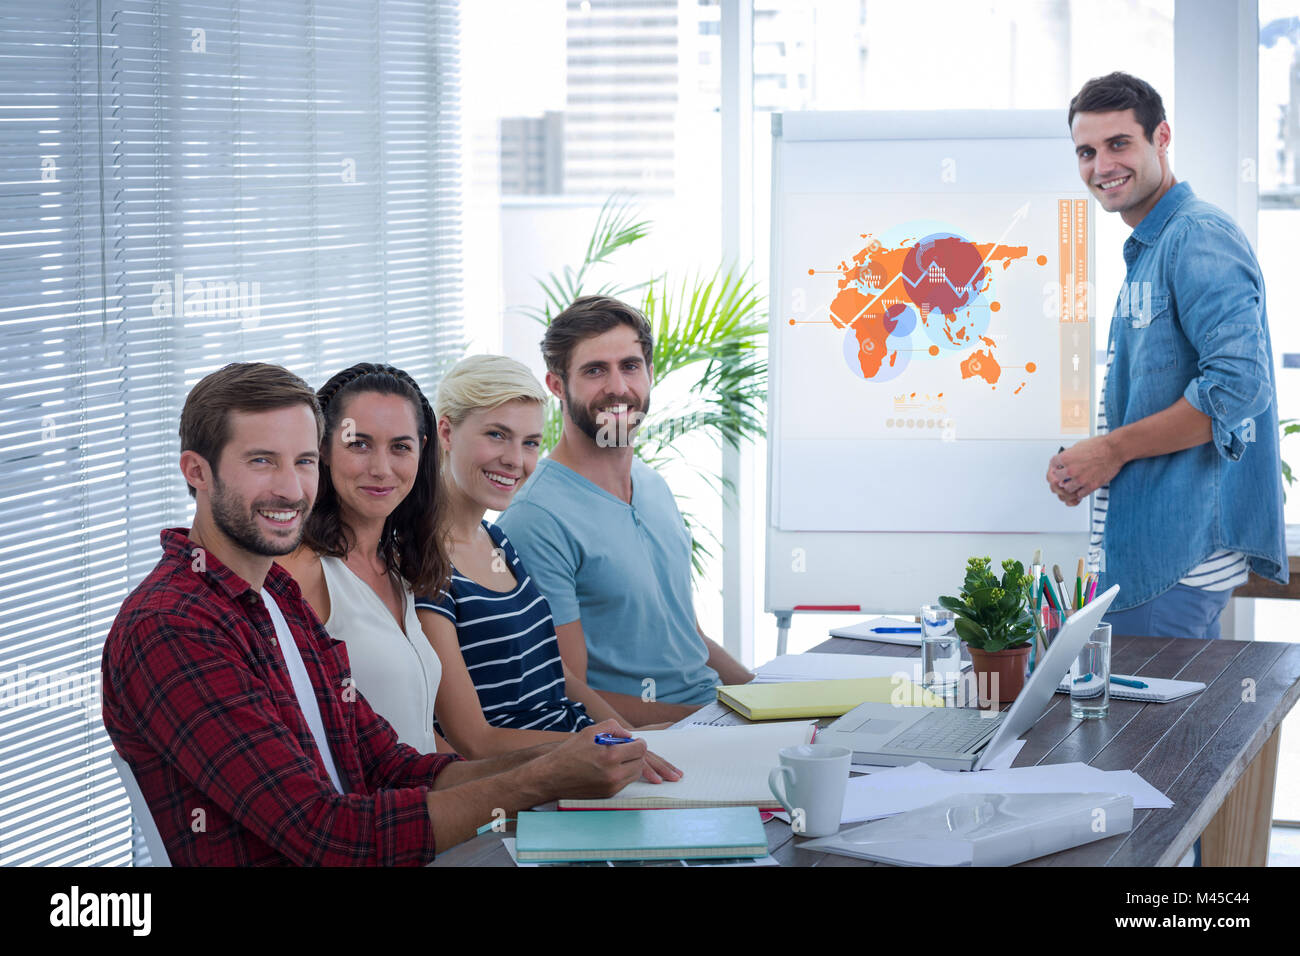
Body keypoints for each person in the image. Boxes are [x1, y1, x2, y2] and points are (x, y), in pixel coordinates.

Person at [101, 362, 650, 866]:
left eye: (304, 462)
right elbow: (326, 834)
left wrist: (564, 760)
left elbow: (395, 766)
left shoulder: (274, 599)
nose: (292, 489)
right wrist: (540, 780)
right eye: (262, 461)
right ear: (196, 471)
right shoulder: (172, 626)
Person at [279, 360, 676, 781]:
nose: (381, 468)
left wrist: (627, 738)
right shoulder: (371, 566)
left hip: (544, 767)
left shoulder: (465, 547)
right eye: (496, 435)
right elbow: (467, 740)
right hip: (508, 783)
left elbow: (553, 670)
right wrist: (603, 748)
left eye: (530, 443)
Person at [1047, 72, 1287, 639]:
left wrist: (1109, 451)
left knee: (1143, 729)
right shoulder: (1152, 247)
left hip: (1172, 560)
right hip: (1152, 548)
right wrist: (1090, 459)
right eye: (1087, 151)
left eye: (1119, 143)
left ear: (1162, 138)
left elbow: (1234, 389)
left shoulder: (1195, 236)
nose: (1101, 165)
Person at [497, 296, 754, 724]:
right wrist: (709, 718)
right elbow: (569, 691)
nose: (618, 387)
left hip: (711, 716)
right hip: (648, 737)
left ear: (650, 374)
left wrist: (764, 699)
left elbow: (688, 636)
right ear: (557, 385)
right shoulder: (535, 519)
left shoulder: (652, 485)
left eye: (630, 366)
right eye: (595, 370)